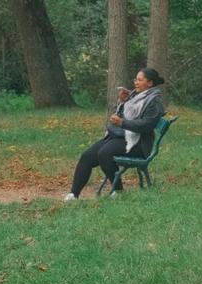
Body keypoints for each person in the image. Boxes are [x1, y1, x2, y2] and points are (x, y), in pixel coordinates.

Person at [64, 68, 166, 200]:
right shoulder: (135, 95)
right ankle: (74, 194)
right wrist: (121, 102)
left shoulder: (154, 101)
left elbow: (146, 126)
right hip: (121, 137)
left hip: (139, 144)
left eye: (140, 80)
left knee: (105, 153)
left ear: (150, 83)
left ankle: (118, 192)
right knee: (87, 157)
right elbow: (122, 114)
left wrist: (122, 123)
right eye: (136, 79)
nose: (136, 82)